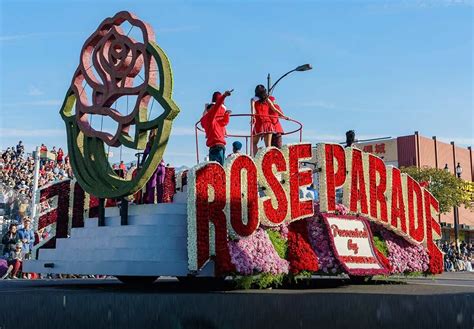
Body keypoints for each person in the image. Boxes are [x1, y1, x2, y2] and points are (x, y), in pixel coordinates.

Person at [251, 85, 286, 155]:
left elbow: (253, 109)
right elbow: (274, 109)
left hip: (259, 122)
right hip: (268, 123)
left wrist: (253, 117)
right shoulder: (267, 99)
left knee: (254, 143)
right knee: (268, 146)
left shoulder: (253, 99)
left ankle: (256, 158)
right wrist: (283, 116)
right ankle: (268, 159)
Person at [200, 90, 233, 165]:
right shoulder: (210, 117)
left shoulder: (205, 121)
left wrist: (227, 114)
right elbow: (217, 105)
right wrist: (224, 96)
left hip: (213, 147)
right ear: (209, 110)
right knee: (220, 169)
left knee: (214, 169)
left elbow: (223, 122)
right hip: (218, 145)